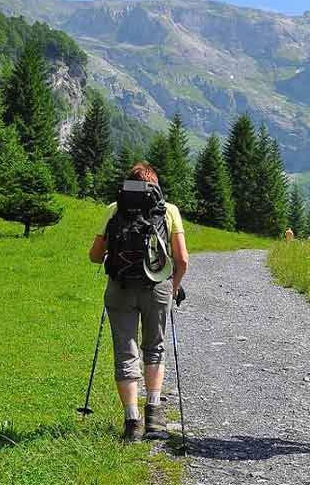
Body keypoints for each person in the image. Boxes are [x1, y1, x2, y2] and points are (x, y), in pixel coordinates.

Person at [89, 163, 189, 442]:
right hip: (157, 287)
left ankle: (132, 423)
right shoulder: (168, 211)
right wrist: (174, 287)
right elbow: (181, 259)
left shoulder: (114, 208)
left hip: (120, 288)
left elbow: (95, 255)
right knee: (154, 347)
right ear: (155, 187)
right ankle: (154, 417)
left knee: (125, 350)